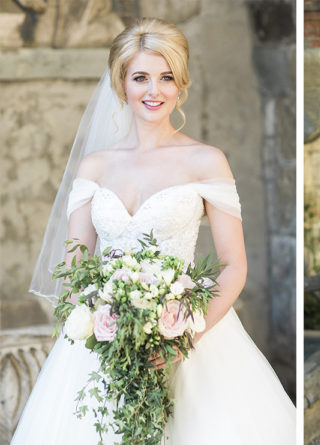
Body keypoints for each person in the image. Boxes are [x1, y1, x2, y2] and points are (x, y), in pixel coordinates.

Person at [11, 18, 295, 444]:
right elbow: (75, 269)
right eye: (140, 77)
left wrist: (182, 338)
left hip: (189, 339)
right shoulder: (95, 167)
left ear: (180, 84)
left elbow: (234, 266)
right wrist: (102, 331)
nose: (154, 91)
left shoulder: (207, 161)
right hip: (104, 343)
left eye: (166, 78)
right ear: (121, 81)